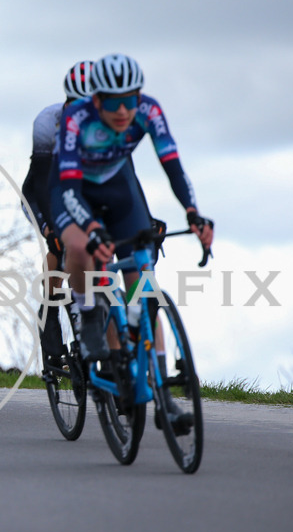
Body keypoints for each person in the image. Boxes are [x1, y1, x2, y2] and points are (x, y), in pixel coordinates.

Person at [49, 53, 214, 365]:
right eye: (112, 103)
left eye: (129, 101)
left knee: (142, 266)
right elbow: (70, 190)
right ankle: (89, 314)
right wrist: (93, 228)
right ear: (96, 101)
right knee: (80, 248)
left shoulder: (149, 111)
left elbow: (173, 167)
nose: (123, 111)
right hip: (72, 189)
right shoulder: (76, 120)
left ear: (139, 96)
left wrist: (192, 212)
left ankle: (150, 371)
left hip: (118, 188)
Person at [22, 61, 94, 368]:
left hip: (82, 192)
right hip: (43, 194)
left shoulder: (107, 124)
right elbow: (39, 183)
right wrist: (51, 229)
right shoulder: (47, 122)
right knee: (61, 250)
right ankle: (51, 326)